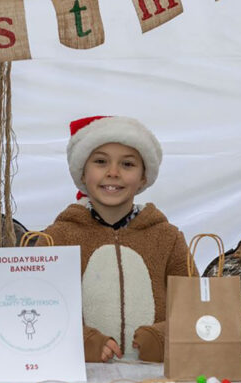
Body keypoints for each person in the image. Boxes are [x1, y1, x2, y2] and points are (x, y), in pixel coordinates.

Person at [43, 115, 190, 363]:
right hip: (79, 377)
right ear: (82, 171)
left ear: (144, 176)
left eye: (128, 164)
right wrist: (82, 342)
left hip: (155, 379)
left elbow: (194, 307)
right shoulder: (57, 237)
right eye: (101, 162)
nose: (113, 173)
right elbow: (40, 306)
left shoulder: (167, 238)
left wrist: (162, 339)